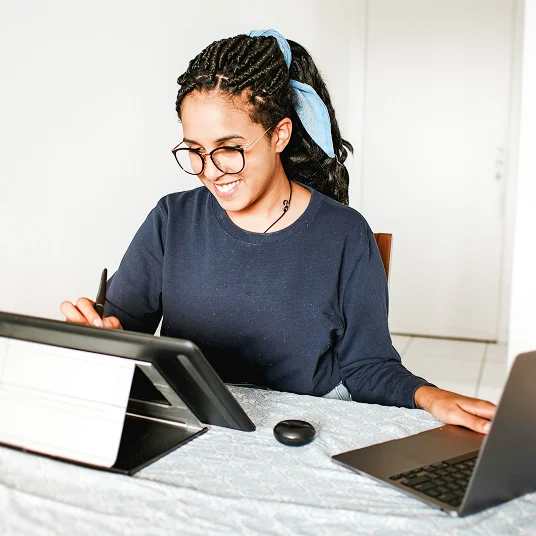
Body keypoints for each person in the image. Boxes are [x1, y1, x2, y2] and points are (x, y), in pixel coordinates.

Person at [60, 30, 495, 434]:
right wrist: (101, 336)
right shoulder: (172, 220)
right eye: (195, 151)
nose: (211, 171)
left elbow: (368, 366)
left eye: (229, 149)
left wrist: (430, 396)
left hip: (308, 425)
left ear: (280, 134)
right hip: (201, 424)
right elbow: (123, 328)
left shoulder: (344, 235)